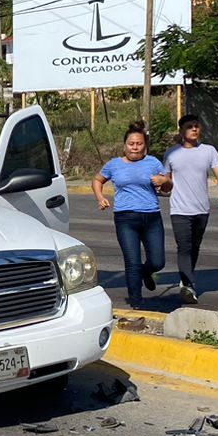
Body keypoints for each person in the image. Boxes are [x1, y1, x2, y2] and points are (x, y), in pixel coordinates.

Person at [93, 125, 171, 309]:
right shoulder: (114, 165)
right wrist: (100, 197)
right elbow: (97, 180)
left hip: (151, 216)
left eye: (139, 144)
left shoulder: (153, 163)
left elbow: (168, 188)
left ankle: (147, 272)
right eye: (131, 144)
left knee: (158, 261)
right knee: (132, 262)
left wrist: (165, 181)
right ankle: (136, 302)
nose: (134, 147)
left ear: (145, 146)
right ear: (124, 146)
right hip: (125, 218)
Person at [162, 115, 218, 304]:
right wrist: (161, 185)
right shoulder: (171, 153)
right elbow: (166, 180)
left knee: (194, 247)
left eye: (196, 126)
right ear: (181, 130)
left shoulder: (209, 151)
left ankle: (185, 279)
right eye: (190, 127)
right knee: (184, 247)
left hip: (201, 209)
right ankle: (188, 284)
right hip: (179, 209)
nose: (194, 129)